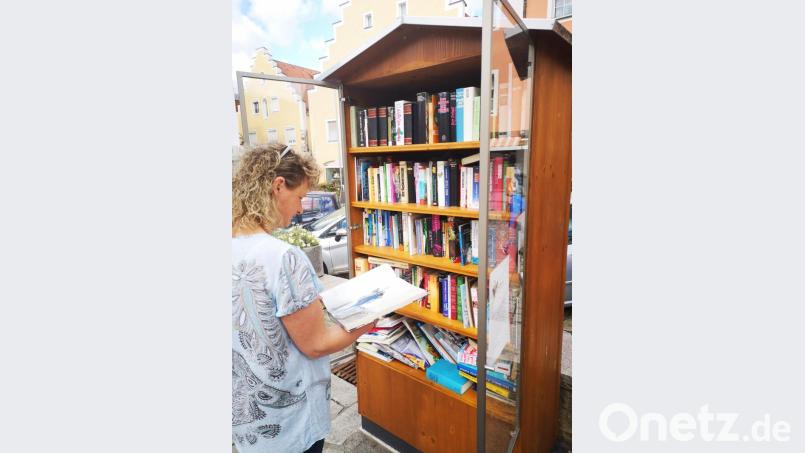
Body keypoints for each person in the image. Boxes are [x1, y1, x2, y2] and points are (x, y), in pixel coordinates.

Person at [231, 143, 375, 453]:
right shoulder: (283, 257)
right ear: (278, 185)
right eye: (299, 198)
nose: (299, 210)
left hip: (246, 420)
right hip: (289, 422)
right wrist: (367, 322)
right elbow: (316, 344)